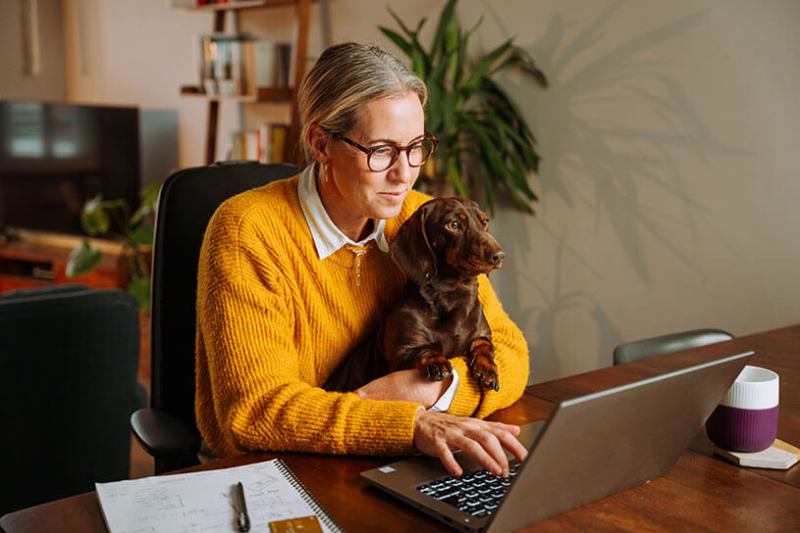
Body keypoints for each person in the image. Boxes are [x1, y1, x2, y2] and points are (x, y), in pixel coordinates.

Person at [195, 42, 530, 478]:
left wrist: (427, 390)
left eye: (415, 147)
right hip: (277, 472)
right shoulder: (249, 230)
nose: (405, 173)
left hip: (393, 463)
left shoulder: (423, 222)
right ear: (321, 143)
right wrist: (404, 421)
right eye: (381, 151)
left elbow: (510, 353)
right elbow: (256, 411)